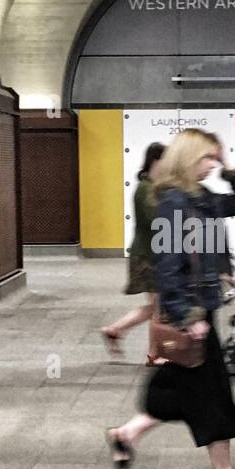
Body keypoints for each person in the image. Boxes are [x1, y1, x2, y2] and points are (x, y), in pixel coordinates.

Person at [104, 128, 235, 469]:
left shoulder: (201, 196)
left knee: (178, 386)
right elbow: (167, 266)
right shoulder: (174, 201)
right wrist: (186, 317)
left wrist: (229, 166)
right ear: (190, 159)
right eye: (207, 158)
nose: (213, 164)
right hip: (193, 310)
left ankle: (126, 434)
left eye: (215, 158)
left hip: (203, 304)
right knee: (214, 394)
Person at [101, 142, 165, 361]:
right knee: (160, 308)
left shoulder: (152, 186)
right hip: (148, 256)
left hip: (149, 254)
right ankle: (154, 355)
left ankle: (115, 329)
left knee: (157, 305)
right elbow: (156, 221)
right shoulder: (146, 189)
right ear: (156, 161)